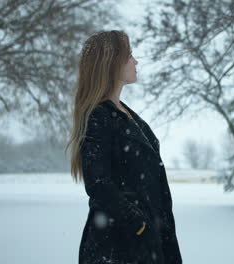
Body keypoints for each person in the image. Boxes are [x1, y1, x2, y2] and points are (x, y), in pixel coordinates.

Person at [66, 30, 182, 264]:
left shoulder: (126, 114)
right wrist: (139, 225)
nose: (135, 61)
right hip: (119, 248)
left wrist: (159, 232)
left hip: (147, 244)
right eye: (129, 55)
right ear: (111, 63)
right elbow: (98, 183)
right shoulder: (99, 116)